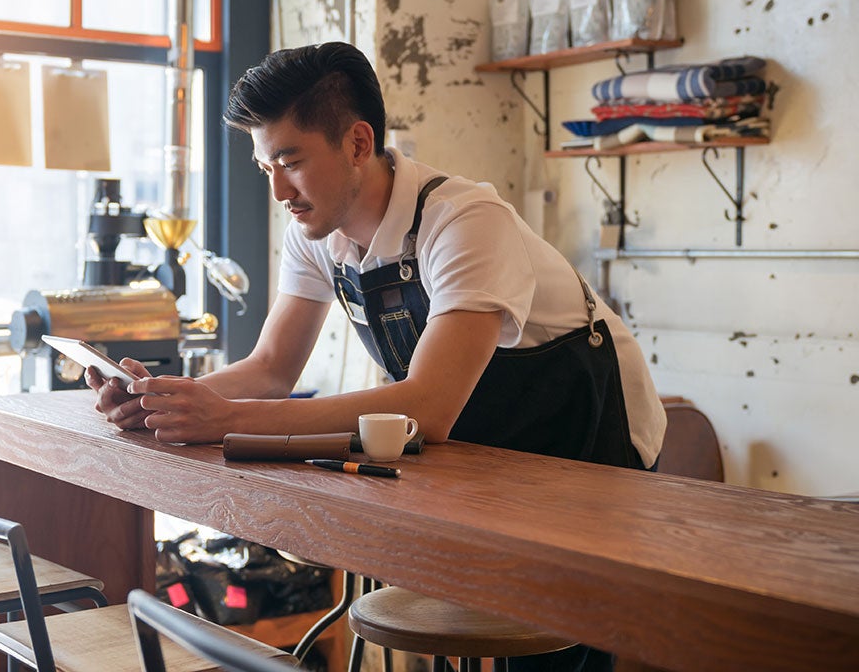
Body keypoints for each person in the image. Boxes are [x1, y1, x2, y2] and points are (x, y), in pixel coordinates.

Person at [87, 41, 667, 669]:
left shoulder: (464, 221)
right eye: (266, 167)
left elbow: (428, 407)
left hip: (589, 446)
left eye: (291, 160)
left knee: (555, 647)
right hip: (487, 451)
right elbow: (271, 370)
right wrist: (162, 400)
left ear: (358, 143)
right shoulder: (316, 235)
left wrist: (223, 418)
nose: (278, 188)